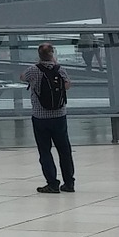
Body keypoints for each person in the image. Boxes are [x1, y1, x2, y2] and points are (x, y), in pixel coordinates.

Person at [19, 43, 74, 194]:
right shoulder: (60, 69)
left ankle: (52, 183)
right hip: (59, 115)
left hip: (40, 117)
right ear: (52, 53)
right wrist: (55, 64)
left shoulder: (33, 70)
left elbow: (22, 78)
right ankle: (69, 183)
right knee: (64, 150)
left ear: (39, 54)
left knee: (45, 151)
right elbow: (68, 85)